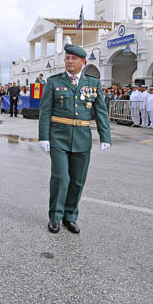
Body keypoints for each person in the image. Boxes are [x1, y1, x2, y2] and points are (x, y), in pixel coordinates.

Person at [39, 43, 111, 234]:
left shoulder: (93, 83)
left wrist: (105, 136)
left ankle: (69, 217)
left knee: (77, 181)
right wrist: (43, 137)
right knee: (61, 178)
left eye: (74, 58)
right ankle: (55, 216)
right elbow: (45, 111)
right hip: (58, 137)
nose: (69, 61)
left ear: (83, 62)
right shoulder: (53, 82)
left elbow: (100, 111)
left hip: (82, 138)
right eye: (67, 58)